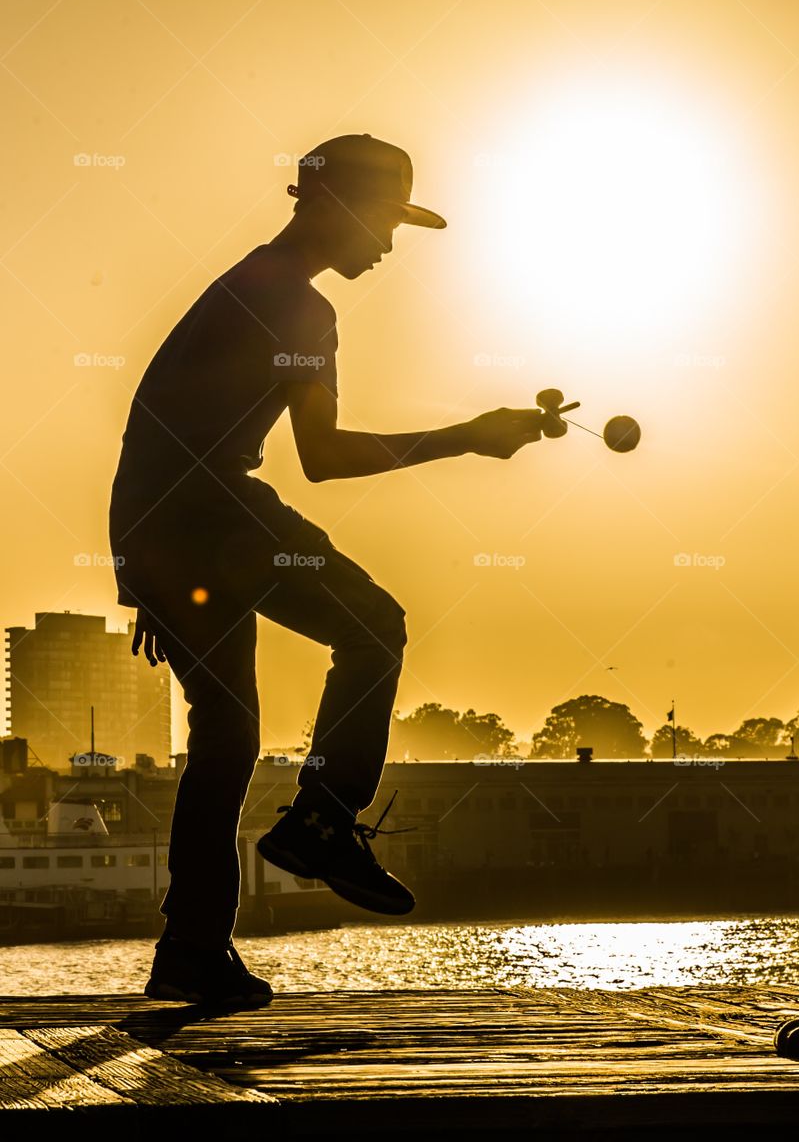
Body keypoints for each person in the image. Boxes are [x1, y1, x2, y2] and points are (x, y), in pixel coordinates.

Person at [108, 133, 545, 1006]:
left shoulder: (242, 286)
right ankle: (324, 816)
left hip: (161, 522)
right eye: (384, 223)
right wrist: (469, 436)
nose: (387, 248)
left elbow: (147, 419)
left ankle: (192, 949)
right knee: (374, 624)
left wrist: (140, 567)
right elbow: (325, 456)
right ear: (337, 208)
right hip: (213, 513)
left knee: (226, 739)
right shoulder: (300, 309)